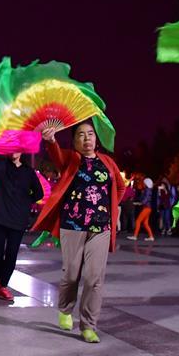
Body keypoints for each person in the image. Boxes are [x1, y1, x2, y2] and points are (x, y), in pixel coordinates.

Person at [33, 121, 126, 342]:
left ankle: (88, 325)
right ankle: (65, 309)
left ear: (96, 138)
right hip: (72, 226)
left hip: (100, 228)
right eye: (81, 135)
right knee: (71, 273)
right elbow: (56, 155)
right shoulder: (70, 159)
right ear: (74, 141)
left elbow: (120, 187)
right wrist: (50, 139)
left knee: (94, 278)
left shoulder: (107, 162)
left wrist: (111, 207)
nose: (87, 139)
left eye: (91, 134)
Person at [0, 140, 44, 301]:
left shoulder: (29, 172)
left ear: (22, 151)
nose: (14, 151)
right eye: (11, 148)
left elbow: (39, 193)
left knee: (12, 254)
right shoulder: (0, 164)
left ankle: (3, 285)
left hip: (17, 219)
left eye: (17, 148)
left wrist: (25, 201)